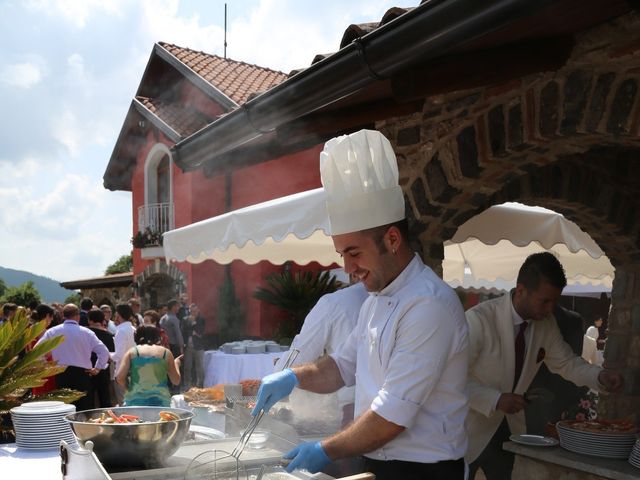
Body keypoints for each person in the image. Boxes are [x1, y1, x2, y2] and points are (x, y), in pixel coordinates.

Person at [251, 129, 469, 480]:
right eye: (342, 254)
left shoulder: (429, 306)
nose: (348, 268)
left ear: (393, 239)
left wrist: (324, 450)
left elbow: (391, 416)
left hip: (424, 472)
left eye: (354, 252)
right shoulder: (375, 299)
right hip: (377, 465)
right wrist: (292, 377)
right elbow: (340, 366)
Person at [465, 252, 624, 480]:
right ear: (521, 291)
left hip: (511, 431)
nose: (550, 309)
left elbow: (567, 363)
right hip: (467, 428)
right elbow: (450, 380)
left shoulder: (545, 324)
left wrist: (599, 377)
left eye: (554, 301)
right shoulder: (478, 320)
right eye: (545, 300)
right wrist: (495, 399)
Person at [273, 281, 368, 426]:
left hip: (353, 410)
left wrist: (280, 370)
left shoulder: (333, 303)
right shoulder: (382, 298)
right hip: (380, 409)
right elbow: (345, 361)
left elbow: (298, 357)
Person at [35, 304, 110, 411]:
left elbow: (36, 351)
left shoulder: (52, 331)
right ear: (77, 316)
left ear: (63, 315)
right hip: (83, 374)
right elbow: (104, 352)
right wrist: (97, 368)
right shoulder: (87, 332)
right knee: (84, 410)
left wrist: (47, 366)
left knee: (65, 410)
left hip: (61, 374)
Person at [115, 325, 181, 406]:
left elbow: (119, 378)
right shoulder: (166, 353)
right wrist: (176, 363)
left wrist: (128, 389)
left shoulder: (132, 352)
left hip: (135, 401)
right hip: (161, 402)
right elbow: (176, 381)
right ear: (157, 337)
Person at [87, 309, 115, 407]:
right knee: (105, 399)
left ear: (90, 320)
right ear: (103, 320)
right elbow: (111, 354)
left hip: (87, 369)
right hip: (103, 369)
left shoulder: (85, 333)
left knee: (88, 400)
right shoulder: (108, 335)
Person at [112, 303, 136, 405]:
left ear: (118, 315)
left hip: (123, 370)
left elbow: (119, 355)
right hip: (134, 369)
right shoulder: (133, 329)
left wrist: (108, 355)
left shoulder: (121, 331)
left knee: (124, 401)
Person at [181, 303, 206, 389]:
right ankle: (187, 384)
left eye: (195, 311)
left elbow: (201, 332)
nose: (193, 313)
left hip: (199, 346)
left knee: (200, 367)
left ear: (198, 311)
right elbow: (183, 331)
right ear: (189, 311)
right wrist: (192, 329)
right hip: (188, 346)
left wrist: (194, 323)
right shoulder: (185, 319)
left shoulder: (201, 319)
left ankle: (200, 385)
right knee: (187, 366)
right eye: (191, 311)